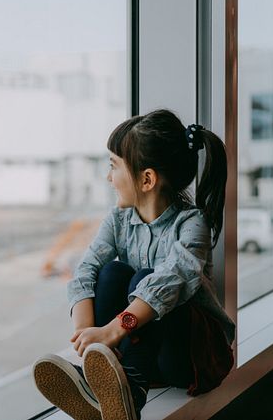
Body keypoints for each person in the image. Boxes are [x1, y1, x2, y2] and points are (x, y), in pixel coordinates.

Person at [32, 109, 236, 420]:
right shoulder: (118, 220)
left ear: (147, 179)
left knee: (147, 278)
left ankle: (131, 394)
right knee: (112, 272)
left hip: (192, 358)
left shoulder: (192, 224)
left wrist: (114, 330)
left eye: (113, 166)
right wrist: (89, 335)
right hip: (141, 353)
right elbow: (85, 269)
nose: (108, 177)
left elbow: (169, 282)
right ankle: (101, 379)